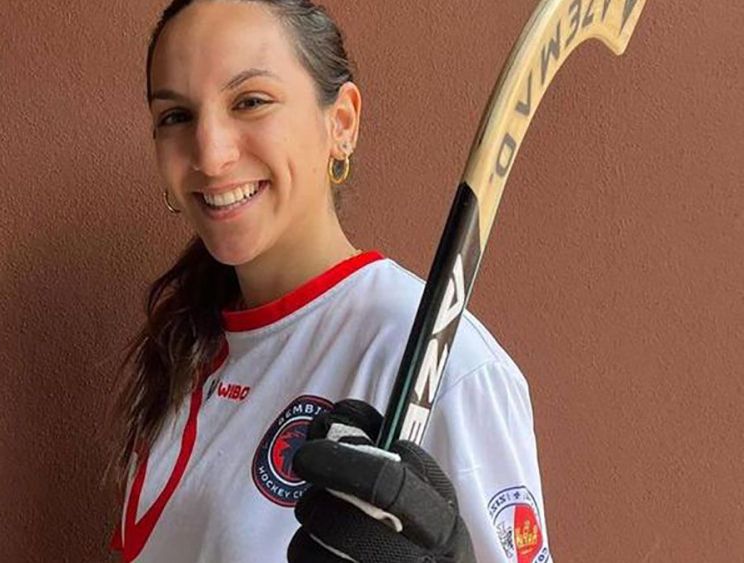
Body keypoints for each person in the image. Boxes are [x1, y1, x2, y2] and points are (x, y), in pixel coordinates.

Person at [111, 1, 552, 561]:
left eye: (250, 102)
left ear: (340, 123)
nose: (211, 155)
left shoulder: (445, 365)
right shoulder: (186, 347)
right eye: (176, 116)